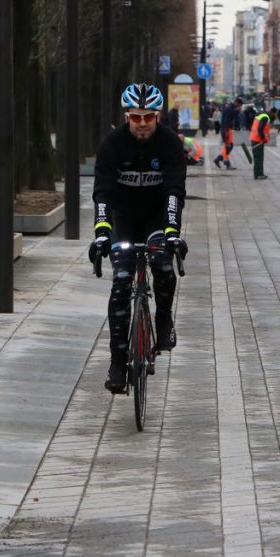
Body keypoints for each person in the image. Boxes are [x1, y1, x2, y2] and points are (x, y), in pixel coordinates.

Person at [89, 83, 188, 394]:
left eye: (148, 117)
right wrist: (101, 232)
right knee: (121, 281)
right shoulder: (112, 145)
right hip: (125, 219)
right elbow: (102, 191)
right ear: (126, 116)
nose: (142, 123)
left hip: (157, 215)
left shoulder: (170, 144)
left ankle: (162, 319)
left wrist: (173, 232)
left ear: (157, 116)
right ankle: (118, 361)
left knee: (161, 264)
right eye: (136, 117)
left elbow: (175, 190)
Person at [250, 109, 272, 179]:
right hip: (258, 140)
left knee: (258, 158)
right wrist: (264, 138)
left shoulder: (260, 116)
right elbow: (260, 129)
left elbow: (263, 129)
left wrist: (267, 137)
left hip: (254, 138)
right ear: (271, 113)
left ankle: (259, 174)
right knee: (258, 158)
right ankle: (258, 174)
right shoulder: (265, 117)